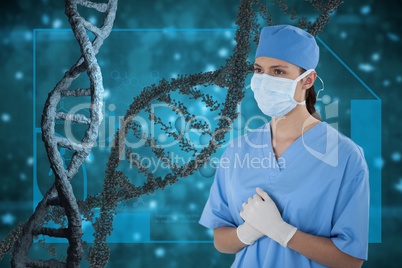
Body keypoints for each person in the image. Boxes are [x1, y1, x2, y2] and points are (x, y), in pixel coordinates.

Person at [199, 25, 369, 268]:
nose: (265, 80)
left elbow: (350, 260)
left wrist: (282, 232)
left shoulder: (345, 156)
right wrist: (247, 232)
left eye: (278, 72)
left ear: (308, 79)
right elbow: (220, 240)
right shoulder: (238, 150)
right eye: (259, 70)